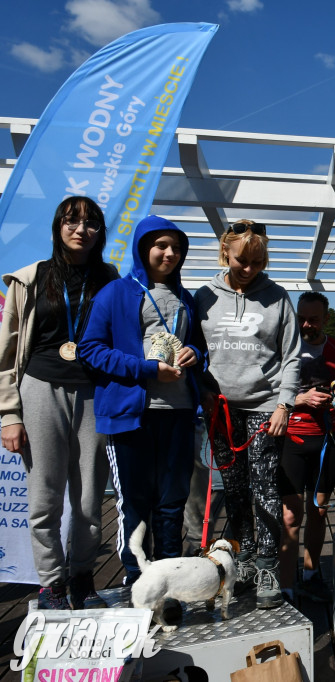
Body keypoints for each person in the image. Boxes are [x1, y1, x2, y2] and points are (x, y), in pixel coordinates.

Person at [78, 215, 207, 602]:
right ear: (143, 248)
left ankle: (170, 582)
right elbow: (90, 349)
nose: (170, 254)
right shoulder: (116, 293)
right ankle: (135, 579)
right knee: (136, 501)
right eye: (161, 245)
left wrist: (194, 353)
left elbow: (200, 347)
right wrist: (146, 368)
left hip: (180, 412)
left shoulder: (186, 297)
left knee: (172, 502)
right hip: (130, 414)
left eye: (177, 248)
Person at [0, 196, 118, 609]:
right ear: (58, 227)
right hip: (40, 387)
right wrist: (9, 415)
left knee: (89, 497)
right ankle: (51, 584)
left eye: (90, 223)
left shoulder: (110, 278)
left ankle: (84, 577)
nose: (80, 229)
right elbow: (6, 351)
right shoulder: (30, 278)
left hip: (94, 392)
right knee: (44, 496)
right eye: (72, 221)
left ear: (100, 232)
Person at [195, 219, 300, 609]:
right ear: (226, 252)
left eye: (257, 262)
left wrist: (284, 404)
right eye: (242, 261)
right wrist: (202, 391)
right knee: (235, 491)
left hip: (264, 408)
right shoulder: (204, 295)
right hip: (220, 409)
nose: (250, 269)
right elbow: (192, 351)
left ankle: (269, 565)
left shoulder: (277, 297)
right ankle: (246, 560)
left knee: (266, 488)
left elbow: (292, 357)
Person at [279, 291, 335, 603]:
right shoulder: (286, 346)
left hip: (326, 439)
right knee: (290, 516)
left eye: (313, 319)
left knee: (319, 511)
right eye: (301, 318)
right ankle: (286, 584)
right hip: (292, 439)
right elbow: (270, 392)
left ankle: (311, 574)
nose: (306, 325)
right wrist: (301, 399)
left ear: (325, 319)